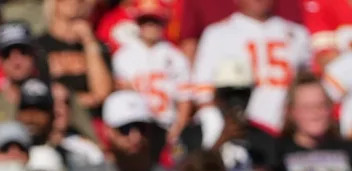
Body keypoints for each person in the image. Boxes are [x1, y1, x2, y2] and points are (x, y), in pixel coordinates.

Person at [190, 0, 310, 134]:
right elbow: (203, 93)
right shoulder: (218, 34)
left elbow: (307, 84)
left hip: (288, 130)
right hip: (243, 130)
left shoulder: (298, 33)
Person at [111, 0, 191, 144]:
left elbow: (184, 97)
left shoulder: (175, 56)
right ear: (137, 23)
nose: (150, 26)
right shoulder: (123, 56)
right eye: (145, 21)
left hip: (167, 123)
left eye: (155, 21)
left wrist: (178, 127)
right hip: (136, 125)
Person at [0, 21, 51, 136]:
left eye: (23, 52)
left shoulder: (57, 99)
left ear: (34, 55)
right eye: (7, 54)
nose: (16, 62)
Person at [36, 0, 113, 115]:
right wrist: (77, 101)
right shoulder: (38, 46)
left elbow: (103, 93)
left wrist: (89, 41)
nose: (74, 1)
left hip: (92, 120)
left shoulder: (97, 45)